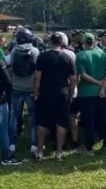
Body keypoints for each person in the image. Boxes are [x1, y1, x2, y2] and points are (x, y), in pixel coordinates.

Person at [34, 32, 77, 162]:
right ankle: (59, 152)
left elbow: (37, 77)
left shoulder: (42, 57)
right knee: (61, 123)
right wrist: (71, 92)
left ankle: (40, 151)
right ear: (62, 43)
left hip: (45, 92)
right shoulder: (68, 57)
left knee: (42, 122)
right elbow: (73, 78)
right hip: (62, 93)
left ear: (50, 42)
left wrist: (36, 91)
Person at [75, 33, 106, 154]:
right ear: (95, 41)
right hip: (102, 92)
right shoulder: (102, 53)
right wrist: (102, 87)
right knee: (104, 118)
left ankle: (89, 147)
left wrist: (96, 82)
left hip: (86, 92)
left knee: (88, 120)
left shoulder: (80, 56)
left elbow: (83, 75)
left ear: (84, 42)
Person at [9, 28, 39, 157]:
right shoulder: (35, 51)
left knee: (15, 116)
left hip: (16, 88)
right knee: (33, 117)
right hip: (31, 89)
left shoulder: (14, 51)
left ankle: (12, 143)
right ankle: (33, 143)